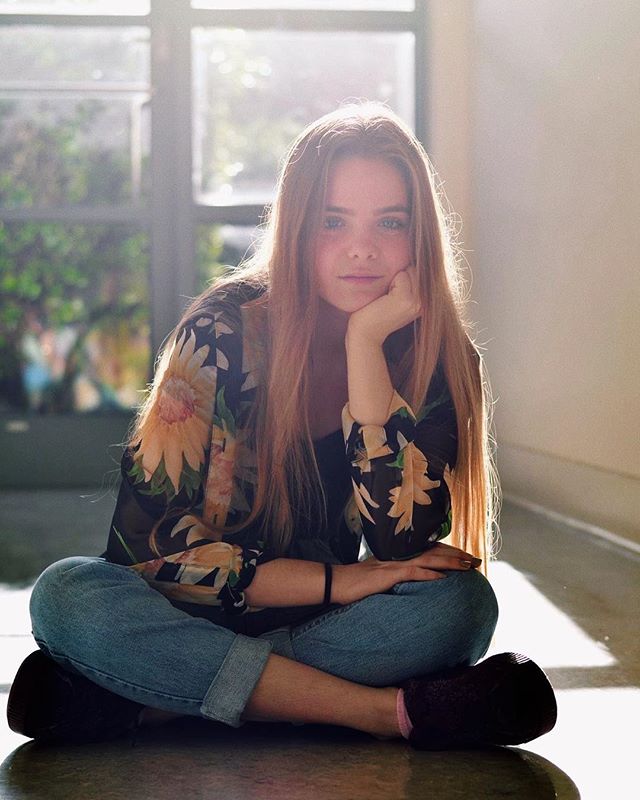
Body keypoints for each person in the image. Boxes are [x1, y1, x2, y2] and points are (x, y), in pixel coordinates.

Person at [7, 103, 556, 749]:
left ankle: (148, 701)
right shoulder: (221, 331)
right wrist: (340, 580)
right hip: (188, 611)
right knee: (70, 594)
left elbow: (400, 547)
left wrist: (365, 346)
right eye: (332, 221)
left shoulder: (437, 357)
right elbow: (148, 550)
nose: (362, 248)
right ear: (296, 227)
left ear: (419, 237)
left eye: (390, 222)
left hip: (311, 627)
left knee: (459, 606)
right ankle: (378, 713)